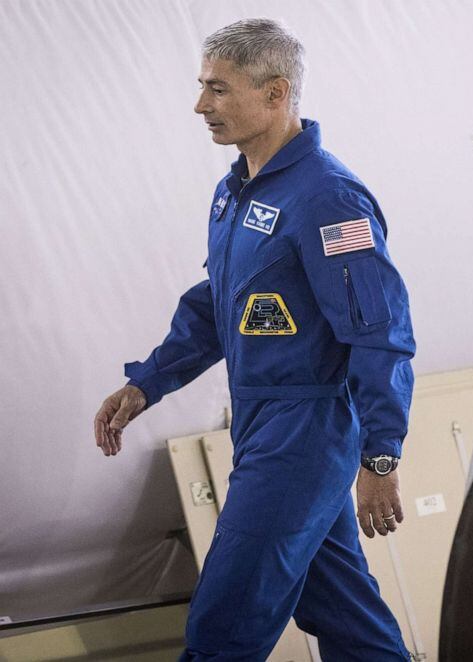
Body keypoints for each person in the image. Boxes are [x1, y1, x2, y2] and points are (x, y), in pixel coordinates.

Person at [92, 18, 415, 661]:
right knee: (346, 615)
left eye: (218, 89)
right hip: (260, 419)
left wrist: (380, 455)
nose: (201, 105)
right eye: (202, 86)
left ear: (275, 94)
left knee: (224, 624)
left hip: (305, 433)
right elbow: (219, 305)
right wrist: (146, 383)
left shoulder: (329, 199)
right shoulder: (233, 191)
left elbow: (378, 335)